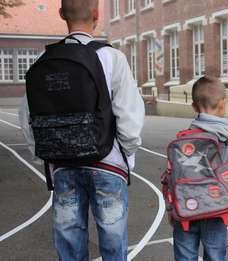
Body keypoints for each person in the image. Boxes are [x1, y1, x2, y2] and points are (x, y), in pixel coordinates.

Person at [18, 0, 145, 260]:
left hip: (62, 166)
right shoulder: (112, 57)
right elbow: (129, 116)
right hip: (108, 163)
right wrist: (126, 154)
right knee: (113, 242)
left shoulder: (44, 60)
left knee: (70, 243)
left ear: (61, 14)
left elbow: (27, 115)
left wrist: (44, 153)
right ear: (97, 15)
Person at [171, 76, 228, 261]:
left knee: (184, 255)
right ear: (222, 104)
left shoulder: (183, 140)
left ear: (194, 107)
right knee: (215, 254)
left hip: (186, 210)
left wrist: (170, 209)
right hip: (216, 209)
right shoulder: (227, 139)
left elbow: (172, 176)